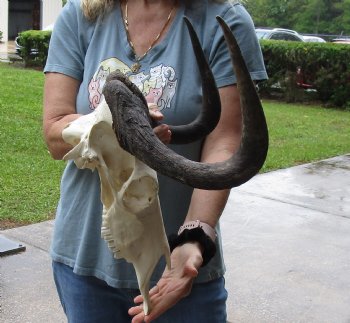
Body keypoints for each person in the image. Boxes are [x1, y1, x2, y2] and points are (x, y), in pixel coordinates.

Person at [43, 0, 267, 322]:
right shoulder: (80, 16)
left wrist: (195, 236)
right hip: (85, 262)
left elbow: (225, 140)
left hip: (180, 266)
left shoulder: (224, 17)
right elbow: (54, 133)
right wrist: (110, 120)